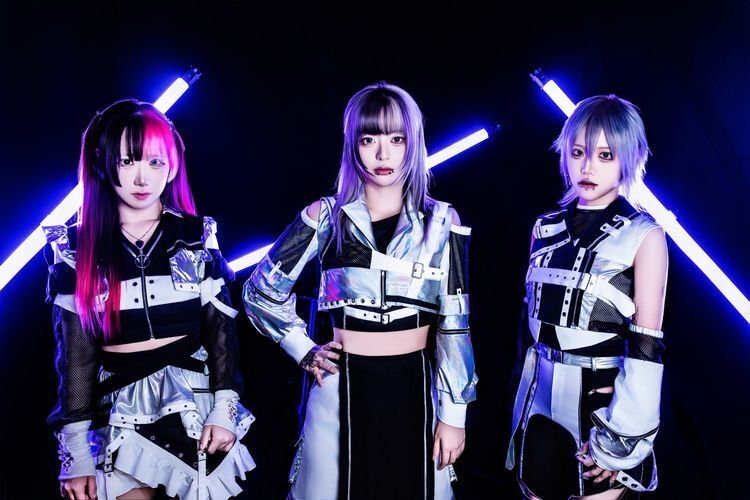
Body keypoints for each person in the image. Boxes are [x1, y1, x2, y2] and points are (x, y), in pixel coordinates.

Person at [243, 81, 478, 500]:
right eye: (369, 139)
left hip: (415, 388)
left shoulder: (442, 221)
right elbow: (260, 291)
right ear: (353, 144)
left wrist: (454, 414)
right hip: (340, 388)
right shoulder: (325, 216)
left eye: (396, 139)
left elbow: (454, 324)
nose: (383, 154)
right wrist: (303, 349)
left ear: (413, 143)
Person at [45, 98, 256, 500]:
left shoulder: (194, 237)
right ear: (103, 163)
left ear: (173, 165)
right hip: (118, 412)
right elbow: (75, 357)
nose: (143, 178)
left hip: (193, 404)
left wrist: (224, 409)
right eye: (128, 162)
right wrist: (76, 452)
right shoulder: (76, 249)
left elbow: (222, 333)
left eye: (156, 162)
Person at [505, 94, 668, 499]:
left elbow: (646, 347)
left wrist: (621, 437)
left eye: (605, 155)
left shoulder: (645, 236)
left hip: (600, 407)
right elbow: (528, 329)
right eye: (578, 152)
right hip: (537, 400)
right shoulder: (544, 228)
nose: (587, 167)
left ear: (630, 157)